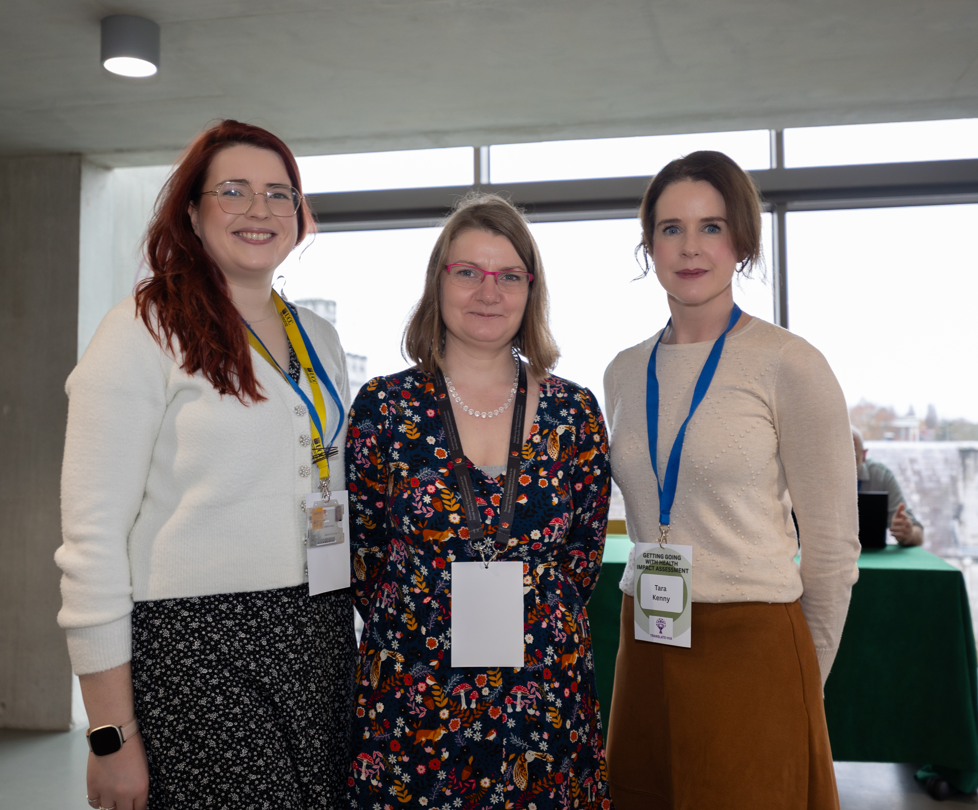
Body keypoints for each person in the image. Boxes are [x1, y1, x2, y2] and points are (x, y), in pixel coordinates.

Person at [55, 120, 355, 810]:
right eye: (234, 190)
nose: (260, 210)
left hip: (319, 632)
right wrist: (109, 734)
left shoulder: (318, 335)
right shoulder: (143, 327)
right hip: (199, 648)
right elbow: (92, 541)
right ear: (192, 210)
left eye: (280, 193)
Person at [603, 151, 860, 809]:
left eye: (711, 227)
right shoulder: (623, 374)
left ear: (741, 240)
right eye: (670, 228)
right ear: (647, 243)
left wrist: (801, 680)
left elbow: (831, 552)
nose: (690, 247)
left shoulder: (789, 365)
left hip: (753, 647)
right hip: (648, 635)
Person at [345, 193, 612, 810]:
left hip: (544, 693)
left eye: (508, 276)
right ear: (438, 282)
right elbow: (364, 556)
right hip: (414, 692)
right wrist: (431, 609)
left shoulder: (573, 412)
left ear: (530, 288)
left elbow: (582, 557)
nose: (488, 292)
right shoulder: (385, 406)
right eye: (468, 272)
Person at [853, 426, 924, 546]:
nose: (843, 467)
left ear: (864, 455)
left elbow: (917, 533)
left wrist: (907, 532)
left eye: (853, 459)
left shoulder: (881, 475)